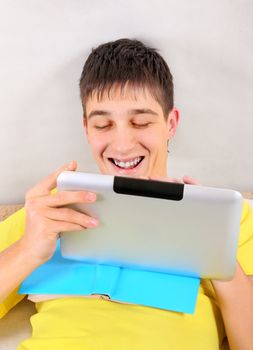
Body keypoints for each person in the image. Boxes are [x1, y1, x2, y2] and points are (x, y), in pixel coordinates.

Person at [0, 38, 253, 350]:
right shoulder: (49, 210)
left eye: (141, 122)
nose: (121, 145)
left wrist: (213, 249)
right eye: (103, 125)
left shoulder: (227, 218)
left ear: (170, 123)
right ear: (86, 129)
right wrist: (27, 250)